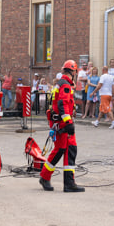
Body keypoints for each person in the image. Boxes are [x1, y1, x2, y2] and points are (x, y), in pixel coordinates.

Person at [39, 60, 85, 192]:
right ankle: (45, 177)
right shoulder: (65, 85)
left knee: (69, 150)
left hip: (59, 123)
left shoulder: (60, 84)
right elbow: (62, 104)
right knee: (60, 150)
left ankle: (68, 183)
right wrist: (68, 122)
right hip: (63, 124)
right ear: (73, 72)